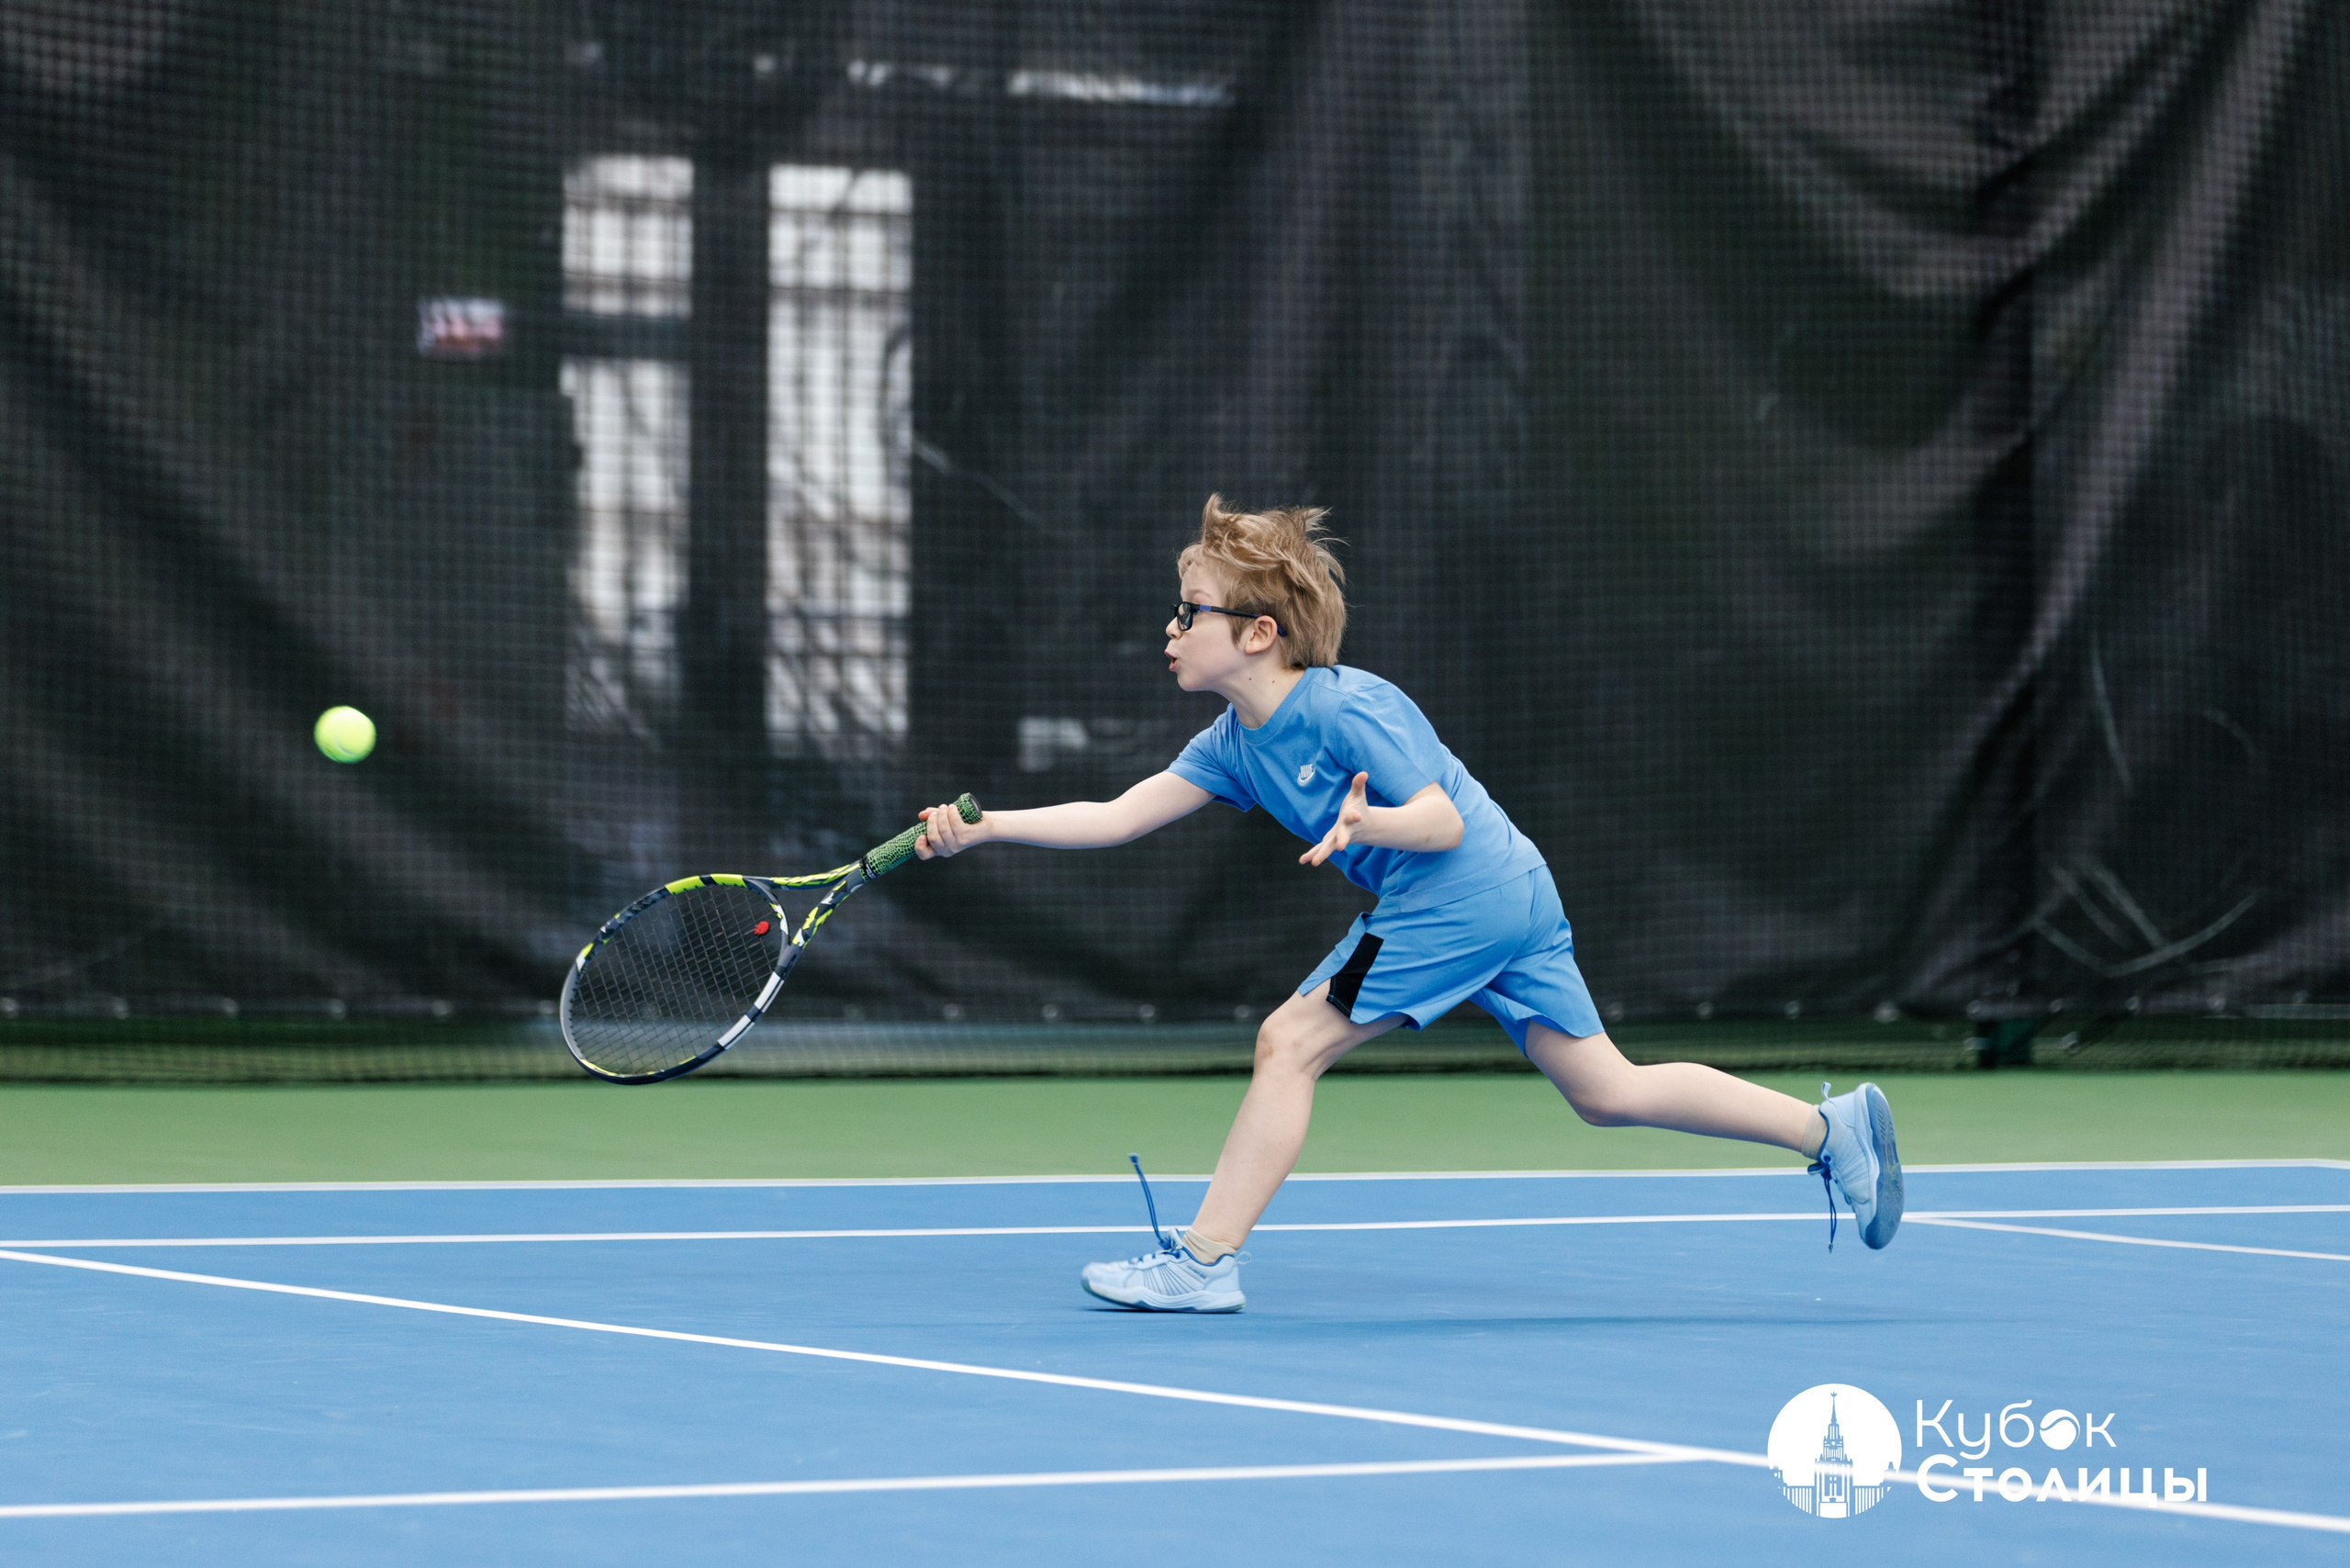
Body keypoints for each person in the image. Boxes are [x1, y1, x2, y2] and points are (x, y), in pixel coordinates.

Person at [915, 495, 1901, 1313]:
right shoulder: (1231, 744)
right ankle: (1831, 1133)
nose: (1169, 630)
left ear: (1257, 633)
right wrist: (986, 826)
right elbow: (1119, 816)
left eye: (1190, 612)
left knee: (1289, 1042)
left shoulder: (1350, 705)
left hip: (1461, 893)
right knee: (1605, 1090)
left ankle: (1204, 1262)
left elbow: (1438, 822)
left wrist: (1366, 825)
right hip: (1506, 895)